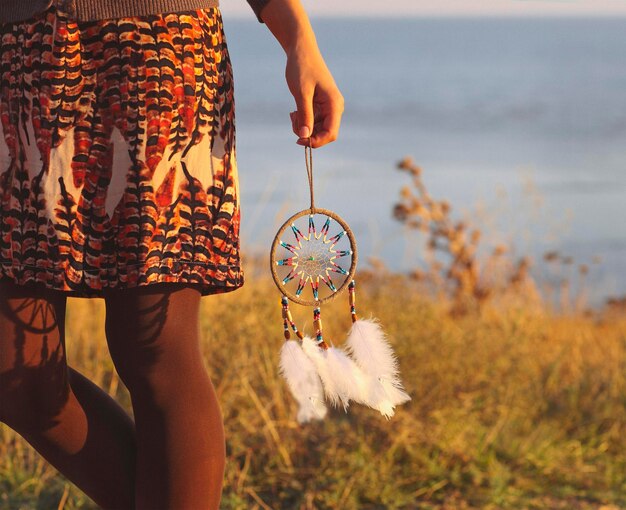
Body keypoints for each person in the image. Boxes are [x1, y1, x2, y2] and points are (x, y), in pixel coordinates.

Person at [0, 0, 344, 508]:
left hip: (157, 52)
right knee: (13, 363)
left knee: (152, 343)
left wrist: (300, 42)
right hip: (25, 61)